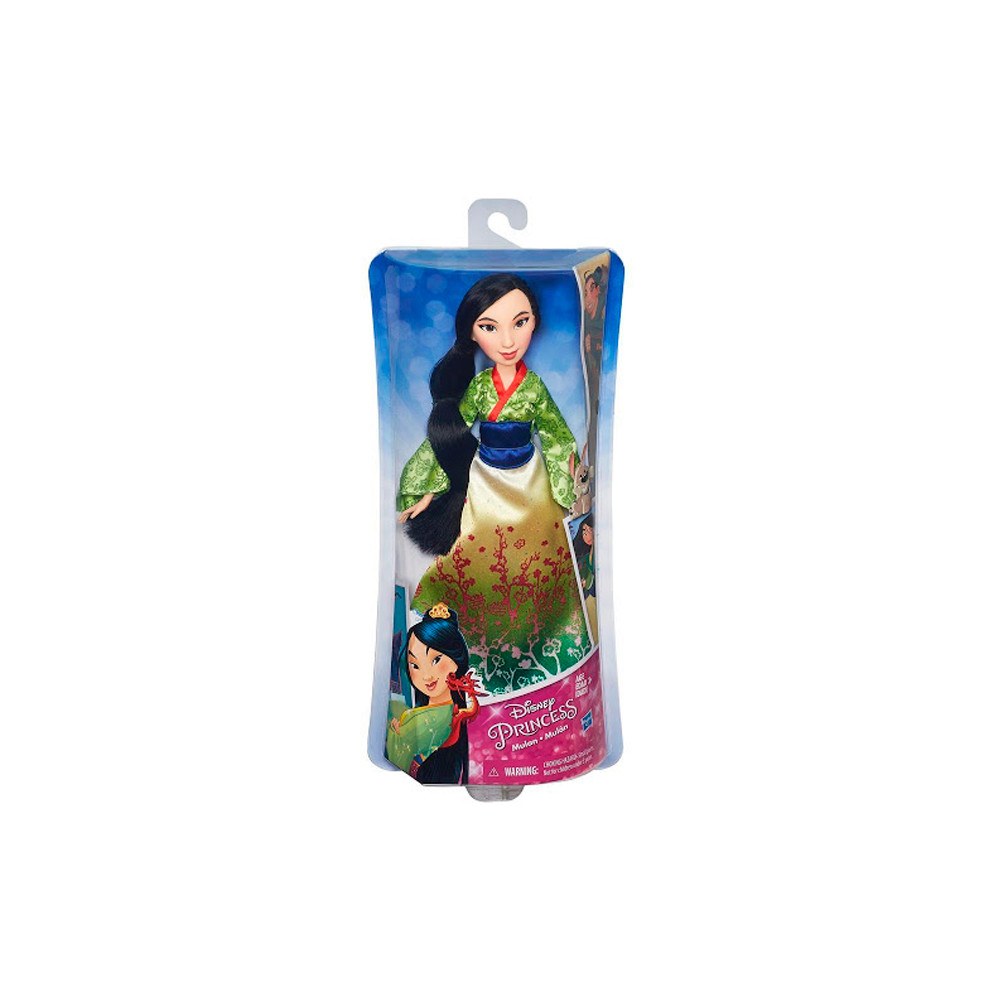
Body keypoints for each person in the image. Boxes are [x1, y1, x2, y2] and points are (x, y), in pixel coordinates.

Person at [397, 273, 591, 696]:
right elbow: (451, 432)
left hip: (531, 483)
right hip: (485, 482)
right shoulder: (481, 387)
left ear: (535, 321)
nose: (507, 340)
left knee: (538, 565)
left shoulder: (533, 387)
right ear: (472, 333)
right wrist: (426, 491)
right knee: (476, 554)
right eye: (489, 326)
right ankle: (474, 651)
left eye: (519, 323)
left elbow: (556, 435)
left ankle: (539, 647)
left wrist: (569, 486)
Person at [385, 603, 480, 784]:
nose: (426, 676)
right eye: (415, 665)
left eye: (436, 660)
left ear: (457, 658)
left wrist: (397, 734)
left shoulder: (447, 715)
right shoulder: (421, 712)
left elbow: (399, 755)